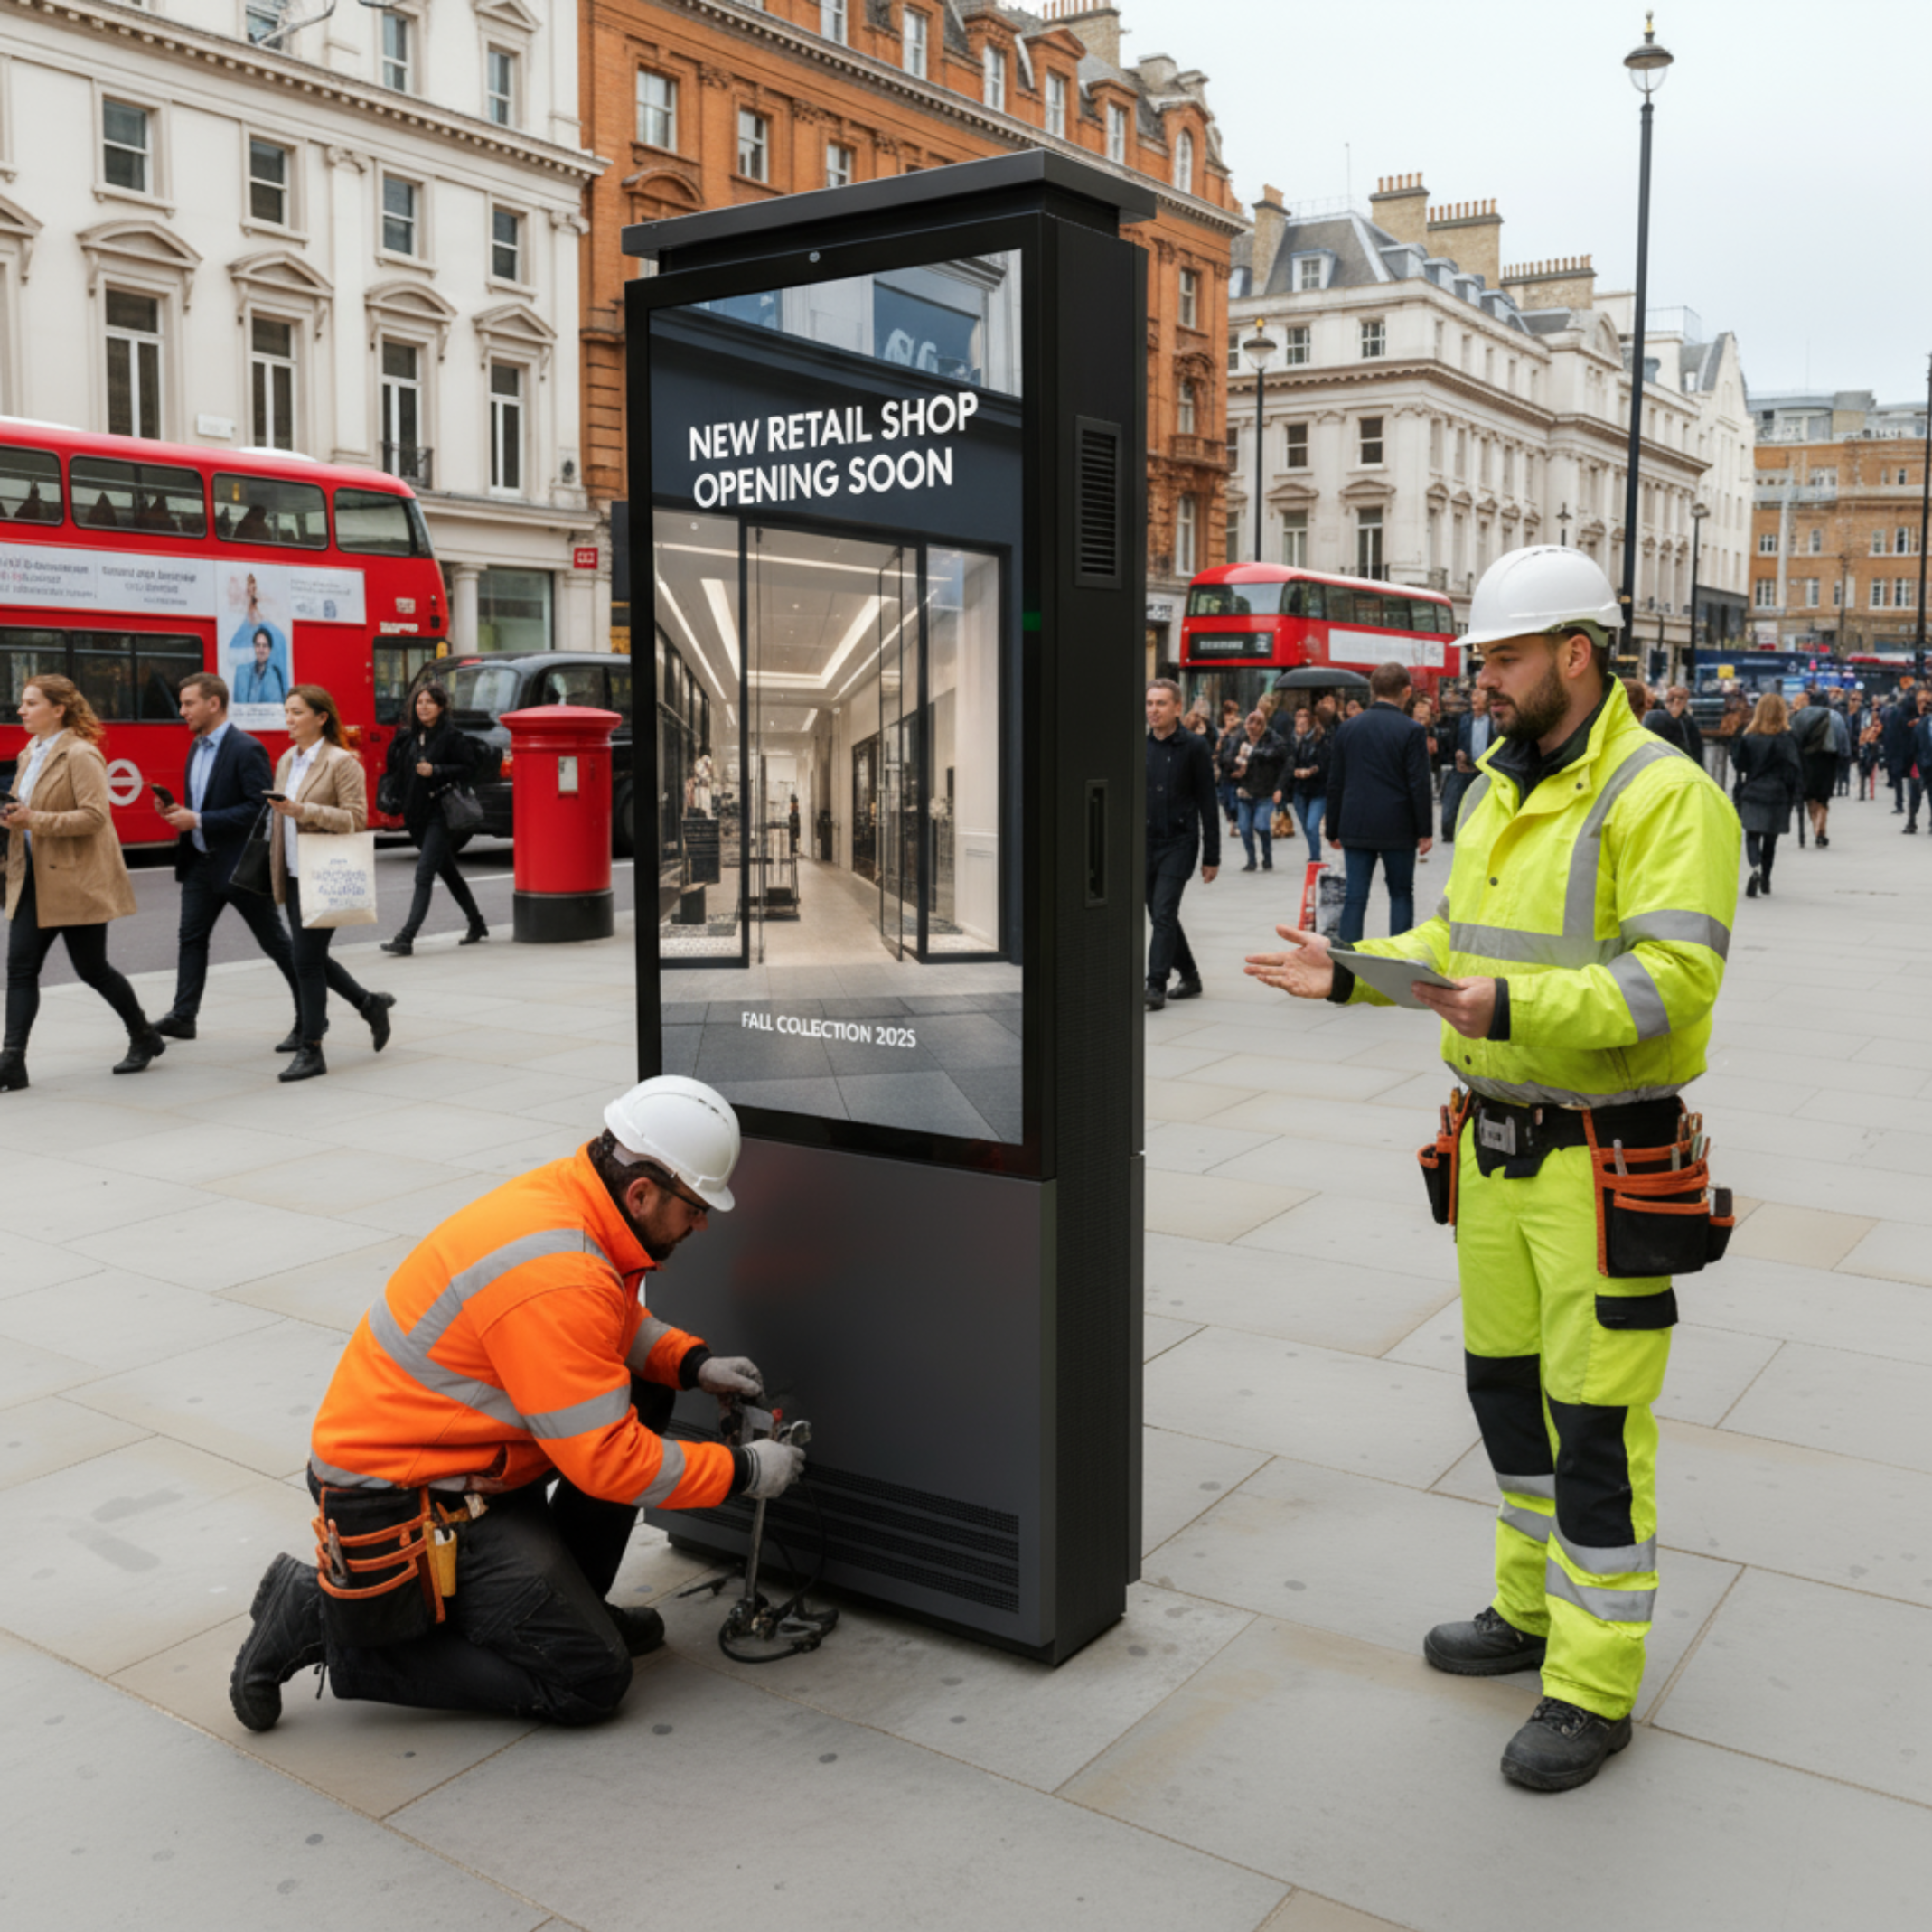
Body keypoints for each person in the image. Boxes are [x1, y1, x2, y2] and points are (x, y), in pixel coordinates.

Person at [1246, 545, 1738, 1794]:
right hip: (1496, 1157)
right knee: (1507, 1404)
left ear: (1577, 651)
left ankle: (1591, 1682)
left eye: (1503, 658)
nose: (1481, 680)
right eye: (1479, 660)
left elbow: (1668, 983)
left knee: (1591, 1431)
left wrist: (1505, 1000)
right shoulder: (1490, 789)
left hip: (1600, 1168)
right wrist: (1352, 966)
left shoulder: (1662, 794)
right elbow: (1454, 941)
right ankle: (1525, 1613)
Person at [228, 1076, 808, 1733]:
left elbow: (602, 1322)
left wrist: (691, 1363)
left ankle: (571, 1605)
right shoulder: (556, 1270)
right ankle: (316, 1618)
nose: (700, 1223)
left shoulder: (576, 1196)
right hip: (404, 1495)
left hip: (467, 1459)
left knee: (647, 1386)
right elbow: (608, 1462)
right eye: (695, 1208)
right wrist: (746, 1471)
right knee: (589, 1679)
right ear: (642, 1192)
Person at [0, 675, 164, 1090]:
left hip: (75, 880)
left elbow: (94, 817)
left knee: (92, 968)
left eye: (31, 703)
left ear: (59, 709)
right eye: (22, 702)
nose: (21, 710)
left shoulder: (81, 754)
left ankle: (143, 1035)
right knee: (20, 969)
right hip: (32, 877)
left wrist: (32, 819)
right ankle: (12, 1062)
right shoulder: (29, 754)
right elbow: (25, 811)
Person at [152, 672, 302, 1044]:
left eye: (188, 703)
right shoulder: (196, 746)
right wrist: (176, 811)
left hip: (238, 865)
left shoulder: (245, 748)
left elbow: (258, 808)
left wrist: (199, 819)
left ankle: (313, 1015)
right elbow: (206, 803)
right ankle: (184, 1015)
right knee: (191, 937)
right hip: (201, 862)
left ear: (213, 704)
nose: (182, 711)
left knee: (276, 944)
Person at [269, 684, 396, 1082]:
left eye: (297, 713)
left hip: (324, 872)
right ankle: (368, 1003)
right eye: (286, 712)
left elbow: (357, 818)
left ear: (321, 718)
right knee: (312, 958)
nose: (288, 720)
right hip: (292, 871)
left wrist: (303, 810)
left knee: (305, 960)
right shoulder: (287, 759)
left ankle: (312, 1050)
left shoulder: (343, 762)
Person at [1325, 661, 1433, 946]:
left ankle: (1347, 962)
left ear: (1372, 691)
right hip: (1398, 825)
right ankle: (1397, 957)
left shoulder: (1348, 729)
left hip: (1356, 823)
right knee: (1400, 893)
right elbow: (1419, 783)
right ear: (1407, 691)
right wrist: (1425, 829)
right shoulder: (1412, 731)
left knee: (1355, 896)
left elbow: (1336, 782)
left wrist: (1332, 828)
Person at [379, 683, 487, 957]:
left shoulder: (451, 736)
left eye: (429, 702)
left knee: (424, 874)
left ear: (441, 707)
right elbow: (399, 774)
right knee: (449, 873)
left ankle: (406, 937)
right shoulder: (411, 737)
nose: (423, 707)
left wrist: (436, 769)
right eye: (419, 702)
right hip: (417, 816)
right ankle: (477, 923)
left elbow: (469, 768)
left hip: (440, 814)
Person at [1143, 678, 1218, 1011]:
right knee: (1162, 915)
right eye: (1149, 703)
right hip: (1145, 844)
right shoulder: (1139, 745)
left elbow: (1207, 801)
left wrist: (1211, 855)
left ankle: (1155, 984)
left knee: (1163, 911)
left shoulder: (1195, 747)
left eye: (1160, 703)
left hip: (1180, 843)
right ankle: (1189, 974)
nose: (1153, 710)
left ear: (1177, 707)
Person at [1730, 692, 1801, 899]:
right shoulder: (1787, 738)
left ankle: (1755, 867)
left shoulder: (1749, 737)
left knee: (1752, 835)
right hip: (1777, 792)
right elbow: (1793, 768)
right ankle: (1766, 880)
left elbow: (1739, 764)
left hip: (1753, 790)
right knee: (1771, 839)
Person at [1230, 708, 1290, 873]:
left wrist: (1279, 789)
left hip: (1265, 791)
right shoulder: (1240, 739)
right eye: (1250, 723)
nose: (1253, 727)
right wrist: (1234, 767)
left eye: (1258, 723)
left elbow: (1282, 759)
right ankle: (1251, 860)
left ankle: (1267, 856)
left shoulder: (1273, 739)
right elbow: (1227, 758)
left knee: (1261, 825)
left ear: (1263, 725)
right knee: (1244, 827)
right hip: (1244, 791)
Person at [1441, 685, 1495, 842]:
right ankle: (1450, 832)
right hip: (1464, 768)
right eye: (1474, 694)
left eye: (1480, 694)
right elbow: (1450, 745)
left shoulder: (1495, 720)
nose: (1475, 698)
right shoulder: (1463, 719)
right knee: (1449, 815)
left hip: (1488, 770)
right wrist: (1457, 753)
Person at [1788, 689, 1837, 848]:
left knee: (1810, 796)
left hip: (1807, 761)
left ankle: (1815, 822)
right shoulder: (1835, 716)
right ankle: (1820, 827)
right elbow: (1843, 739)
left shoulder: (1800, 716)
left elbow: (1793, 739)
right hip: (1829, 760)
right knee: (1824, 796)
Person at [1288, 704, 1331, 864]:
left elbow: (1326, 762)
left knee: (1312, 825)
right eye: (1299, 716)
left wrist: (1312, 771)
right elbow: (1286, 762)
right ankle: (1315, 852)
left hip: (1318, 790)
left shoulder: (1321, 739)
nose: (1302, 720)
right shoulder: (1292, 739)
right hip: (1299, 790)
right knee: (1306, 827)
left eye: (1306, 716)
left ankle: (1315, 858)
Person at [1213, 699, 1246, 839]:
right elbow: (1217, 751)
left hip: (1236, 771)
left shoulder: (1241, 733)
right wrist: (1221, 738)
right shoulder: (1223, 734)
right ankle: (1233, 823)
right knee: (1225, 800)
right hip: (1224, 771)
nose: (1230, 722)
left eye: (1232, 719)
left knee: (1234, 801)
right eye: (1227, 719)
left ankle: (1238, 823)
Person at [233, 627, 289, 708]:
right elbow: (239, 705)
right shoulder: (242, 672)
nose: (261, 649)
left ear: (269, 649)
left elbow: (280, 704)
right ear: (254, 648)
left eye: (265, 646)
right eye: (258, 645)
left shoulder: (277, 673)